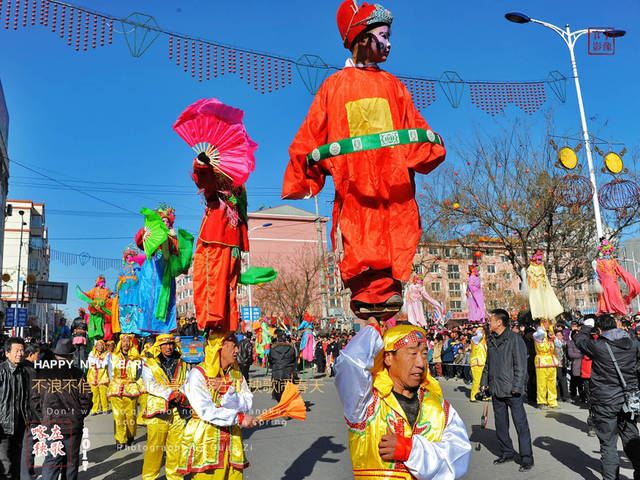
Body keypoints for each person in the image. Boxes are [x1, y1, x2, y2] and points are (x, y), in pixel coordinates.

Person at [282, 0, 446, 320]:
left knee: (393, 243)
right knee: (360, 246)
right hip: (355, 194)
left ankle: (388, 301)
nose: (388, 43)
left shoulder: (394, 86)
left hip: (393, 194)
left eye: (388, 35)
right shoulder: (333, 86)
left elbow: (415, 128)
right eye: (382, 35)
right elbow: (310, 136)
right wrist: (306, 170)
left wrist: (429, 147)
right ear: (361, 38)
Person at [334, 320, 470, 479]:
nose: (420, 363)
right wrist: (372, 328)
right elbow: (349, 365)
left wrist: (410, 450)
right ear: (388, 358)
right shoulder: (366, 403)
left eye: (424, 354)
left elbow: (458, 457)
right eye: (412, 353)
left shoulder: (439, 408)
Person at [177, 332, 259, 479]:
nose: (237, 351)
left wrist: (229, 391)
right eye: (233, 346)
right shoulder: (198, 374)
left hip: (232, 439)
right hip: (206, 439)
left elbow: (247, 402)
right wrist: (239, 418)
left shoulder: (236, 374)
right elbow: (206, 411)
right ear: (218, 348)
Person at [575, 314, 640, 480]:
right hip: (628, 401)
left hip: (605, 402)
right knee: (632, 440)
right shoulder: (632, 343)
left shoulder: (598, 346)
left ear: (599, 329)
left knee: (608, 445)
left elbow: (580, 341)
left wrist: (587, 326)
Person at [480, 309, 534, 471]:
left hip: (512, 390)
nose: (489, 322)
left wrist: (517, 388)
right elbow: (488, 365)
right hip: (496, 389)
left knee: (520, 424)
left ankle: (526, 457)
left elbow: (521, 366)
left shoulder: (515, 339)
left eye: (491, 320)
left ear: (499, 322)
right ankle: (507, 452)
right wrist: (484, 383)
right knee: (501, 424)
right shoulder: (491, 340)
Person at [31, 338, 92, 480]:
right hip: (72, 425)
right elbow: (87, 399)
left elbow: (34, 400)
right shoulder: (77, 374)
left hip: (51, 425)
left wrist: (43, 417)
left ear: (55, 355)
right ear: (71, 356)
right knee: (70, 463)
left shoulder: (42, 373)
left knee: (51, 462)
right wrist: (79, 415)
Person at [141, 334, 190, 480]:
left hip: (178, 409)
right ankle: (149, 477)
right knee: (155, 448)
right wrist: (170, 393)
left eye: (171, 344)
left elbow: (187, 382)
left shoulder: (182, 363)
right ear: (159, 346)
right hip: (158, 410)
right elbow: (150, 384)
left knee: (176, 447)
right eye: (165, 344)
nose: (168, 347)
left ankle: (175, 476)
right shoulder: (149, 363)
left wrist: (181, 393)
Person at [0, 337, 27, 480]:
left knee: (17, 465)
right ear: (7, 353)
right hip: (2, 428)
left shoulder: (24, 372)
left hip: (19, 426)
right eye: (16, 350)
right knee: (5, 466)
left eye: (22, 350)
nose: (20, 353)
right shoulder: (1, 371)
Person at [107, 334, 141, 449]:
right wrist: (112, 384)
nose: (126, 344)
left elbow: (140, 374)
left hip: (131, 389)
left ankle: (130, 436)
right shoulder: (113, 357)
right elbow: (110, 372)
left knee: (131, 416)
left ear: (131, 343)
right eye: (124, 341)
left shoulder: (136, 358)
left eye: (128, 342)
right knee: (118, 416)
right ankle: (120, 440)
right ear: (120, 343)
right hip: (116, 389)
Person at [19, 342, 40, 480]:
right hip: (30, 414)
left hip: (22, 413)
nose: (39, 357)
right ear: (31, 354)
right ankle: (27, 475)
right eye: (38, 354)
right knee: (29, 446)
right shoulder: (31, 371)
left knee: (25, 445)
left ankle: (26, 473)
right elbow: (34, 397)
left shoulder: (21, 368)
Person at [533, 322, 559, 409]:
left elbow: (559, 344)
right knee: (541, 383)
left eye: (549, 322)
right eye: (545, 322)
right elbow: (540, 333)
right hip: (541, 362)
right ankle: (541, 401)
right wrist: (542, 328)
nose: (548, 324)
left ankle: (552, 401)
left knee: (552, 383)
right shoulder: (538, 335)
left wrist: (553, 336)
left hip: (551, 362)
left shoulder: (550, 337)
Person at [268, 330, 298, 402]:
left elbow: (270, 360)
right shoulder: (291, 348)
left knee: (278, 392)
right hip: (288, 372)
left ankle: (281, 405)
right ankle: (285, 405)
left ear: (278, 339)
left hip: (277, 372)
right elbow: (294, 359)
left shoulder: (273, 348)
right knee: (287, 391)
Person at [87, 339, 110, 415]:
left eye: (101, 345)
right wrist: (98, 362)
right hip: (93, 376)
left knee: (103, 394)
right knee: (94, 395)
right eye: (98, 345)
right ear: (96, 346)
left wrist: (97, 362)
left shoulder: (107, 354)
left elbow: (105, 363)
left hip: (103, 376)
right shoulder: (92, 353)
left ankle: (105, 408)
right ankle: (94, 409)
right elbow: (91, 362)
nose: (100, 347)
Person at [469, 327, 487, 402]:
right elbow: (479, 336)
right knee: (477, 381)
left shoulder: (484, 342)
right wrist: (480, 330)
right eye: (481, 331)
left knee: (484, 381)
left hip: (483, 362)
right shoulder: (475, 339)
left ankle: (483, 395)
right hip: (476, 363)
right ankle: (473, 396)